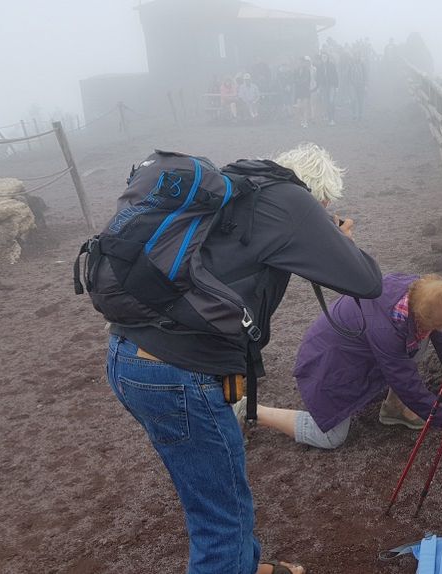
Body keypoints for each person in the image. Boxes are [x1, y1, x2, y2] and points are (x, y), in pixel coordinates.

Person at [105, 142, 382, 574]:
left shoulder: (238, 187)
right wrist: (340, 239)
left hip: (128, 357)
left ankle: (250, 567)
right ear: (320, 195)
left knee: (218, 490)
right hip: (178, 375)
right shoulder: (296, 203)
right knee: (222, 520)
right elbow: (366, 281)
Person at [248, 273, 442, 451]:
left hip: (354, 352)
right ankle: (252, 410)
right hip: (329, 368)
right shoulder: (386, 329)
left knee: (421, 340)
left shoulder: (418, 293)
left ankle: (395, 410)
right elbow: (405, 382)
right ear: (420, 316)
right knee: (330, 438)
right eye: (437, 324)